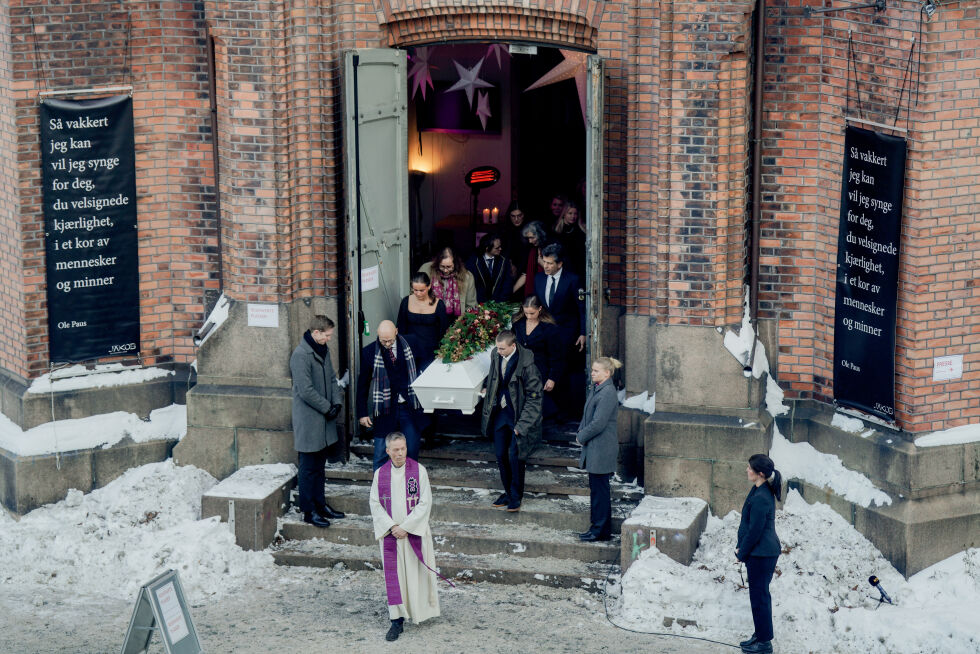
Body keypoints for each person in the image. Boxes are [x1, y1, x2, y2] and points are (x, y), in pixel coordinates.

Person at [369, 432, 440, 641]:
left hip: (413, 533)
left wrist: (407, 527)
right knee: (396, 578)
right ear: (388, 451)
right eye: (396, 450)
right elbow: (374, 503)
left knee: (416, 574)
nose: (400, 453)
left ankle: (419, 612)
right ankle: (396, 620)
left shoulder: (419, 471)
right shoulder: (380, 474)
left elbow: (425, 502)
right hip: (392, 535)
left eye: (403, 448)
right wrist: (392, 526)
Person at [289, 315, 346, 528]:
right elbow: (305, 390)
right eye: (327, 335)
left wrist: (336, 402)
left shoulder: (322, 350)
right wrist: (327, 407)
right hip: (310, 419)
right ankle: (308, 510)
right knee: (308, 467)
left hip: (323, 419)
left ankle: (320, 505)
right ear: (316, 333)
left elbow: (332, 378)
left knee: (320, 466)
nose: (329, 339)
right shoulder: (301, 355)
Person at [480, 330, 542, 512]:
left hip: (518, 415)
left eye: (502, 348)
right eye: (497, 347)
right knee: (500, 454)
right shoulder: (495, 354)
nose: (498, 351)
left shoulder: (528, 364)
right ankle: (507, 492)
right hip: (500, 412)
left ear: (512, 346)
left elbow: (535, 398)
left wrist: (522, 425)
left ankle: (516, 496)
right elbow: (494, 378)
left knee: (516, 456)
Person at [356, 320, 425, 470]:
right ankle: (380, 491)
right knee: (381, 453)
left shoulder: (411, 342)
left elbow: (424, 364)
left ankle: (409, 490)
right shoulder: (369, 352)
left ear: (396, 331)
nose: (387, 344)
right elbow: (363, 384)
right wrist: (362, 413)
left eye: (390, 340)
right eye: (383, 341)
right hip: (384, 409)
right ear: (378, 336)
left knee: (411, 452)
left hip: (409, 406)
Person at [735, 453, 783, 654]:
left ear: (760, 473)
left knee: (760, 598)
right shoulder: (759, 490)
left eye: (750, 468)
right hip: (759, 553)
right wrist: (741, 547)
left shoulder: (762, 496)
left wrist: (741, 553)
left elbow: (755, 530)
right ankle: (760, 636)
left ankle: (764, 644)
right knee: (758, 597)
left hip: (762, 554)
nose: (747, 470)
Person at [534, 242, 586, 417]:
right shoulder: (538, 278)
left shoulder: (572, 279)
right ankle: (549, 409)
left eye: (550, 263)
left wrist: (583, 332)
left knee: (562, 371)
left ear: (560, 264)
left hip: (566, 332)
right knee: (546, 369)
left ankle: (565, 412)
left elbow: (581, 308)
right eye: (544, 262)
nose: (546, 266)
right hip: (545, 332)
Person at [575, 357, 622, 542]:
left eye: (596, 370)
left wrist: (581, 436)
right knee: (596, 490)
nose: (592, 373)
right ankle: (597, 529)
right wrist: (581, 430)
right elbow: (588, 416)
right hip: (595, 447)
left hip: (602, 448)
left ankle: (600, 531)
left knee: (600, 492)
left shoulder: (608, 392)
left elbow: (598, 423)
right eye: (592, 370)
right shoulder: (597, 389)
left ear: (607, 373)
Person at [512, 295, 562, 421]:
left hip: (541, 370)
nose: (529, 316)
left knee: (541, 404)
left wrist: (552, 378)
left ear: (540, 309)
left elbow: (556, 356)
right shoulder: (518, 324)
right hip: (520, 369)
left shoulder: (549, 328)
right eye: (526, 312)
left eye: (532, 313)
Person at [397, 272, 448, 369]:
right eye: (415, 290)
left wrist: (442, 351)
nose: (418, 293)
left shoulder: (439, 304)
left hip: (431, 351)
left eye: (422, 290)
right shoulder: (406, 301)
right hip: (410, 350)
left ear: (429, 287)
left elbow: (444, 331)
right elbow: (401, 327)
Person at [418, 247, 476, 320]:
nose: (445, 270)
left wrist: (462, 322)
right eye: (442, 266)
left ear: (456, 264)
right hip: (430, 318)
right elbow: (416, 293)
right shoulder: (426, 269)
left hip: (456, 321)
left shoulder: (467, 277)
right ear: (437, 262)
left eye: (449, 267)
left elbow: (471, 306)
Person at [466, 233, 513, 303]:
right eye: (497, 248)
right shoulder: (473, 261)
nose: (500, 249)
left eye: (500, 246)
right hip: (479, 303)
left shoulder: (504, 261)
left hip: (499, 303)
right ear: (487, 248)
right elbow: (472, 286)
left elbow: (507, 283)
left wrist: (501, 302)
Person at [516, 221, 552, 298]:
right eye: (528, 238)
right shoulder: (533, 250)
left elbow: (558, 273)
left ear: (540, 235)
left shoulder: (551, 249)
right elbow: (526, 274)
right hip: (535, 293)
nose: (530, 241)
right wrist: (510, 292)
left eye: (532, 237)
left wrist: (541, 262)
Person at [552, 200, 586, 276]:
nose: (573, 216)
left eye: (575, 214)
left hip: (578, 267)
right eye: (570, 213)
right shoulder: (557, 230)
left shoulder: (581, 230)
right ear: (564, 214)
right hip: (563, 267)